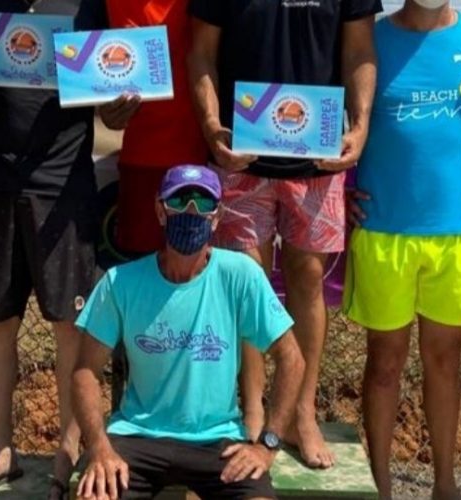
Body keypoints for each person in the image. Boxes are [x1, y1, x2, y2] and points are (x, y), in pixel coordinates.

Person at [187, 0, 379, 469]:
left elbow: (359, 51)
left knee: (308, 279)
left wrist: (360, 126)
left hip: (318, 158)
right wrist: (211, 125)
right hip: (242, 156)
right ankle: (252, 408)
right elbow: (201, 52)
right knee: (246, 283)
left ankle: (300, 413)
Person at [343, 1, 461, 497]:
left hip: (454, 232)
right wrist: (338, 187)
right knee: (384, 363)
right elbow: (334, 122)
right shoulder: (370, 39)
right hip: (383, 229)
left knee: (445, 361)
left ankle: (445, 483)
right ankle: (382, 484)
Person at [72, 165, 305, 500]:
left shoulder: (241, 275)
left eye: (203, 203)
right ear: (160, 210)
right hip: (138, 436)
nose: (192, 212)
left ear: (217, 216)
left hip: (217, 440)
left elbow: (292, 359)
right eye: (179, 202)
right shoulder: (120, 282)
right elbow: (85, 371)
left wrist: (268, 445)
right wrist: (99, 447)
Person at [0, 1, 101, 498]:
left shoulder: (86, 3)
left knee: (70, 325)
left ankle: (68, 452)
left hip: (66, 186)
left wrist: (119, 101)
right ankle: (0, 451)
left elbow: (108, 92)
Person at [78, 0, 209, 256]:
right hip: (142, 159)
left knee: (200, 272)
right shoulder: (100, 5)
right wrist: (105, 107)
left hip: (210, 160)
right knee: (140, 271)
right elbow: (89, 66)